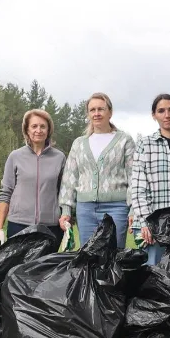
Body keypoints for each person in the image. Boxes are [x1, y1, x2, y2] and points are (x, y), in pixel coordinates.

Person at [58, 92, 136, 248]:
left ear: (110, 112)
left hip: (117, 208)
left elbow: (133, 176)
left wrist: (133, 209)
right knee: (87, 257)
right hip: (85, 209)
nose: (97, 113)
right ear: (88, 114)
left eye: (101, 109)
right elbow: (70, 178)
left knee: (113, 256)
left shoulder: (124, 140)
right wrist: (66, 210)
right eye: (92, 110)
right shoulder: (79, 143)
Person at [130, 93, 170, 265]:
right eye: (161, 111)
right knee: (152, 277)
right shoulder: (146, 144)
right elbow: (137, 188)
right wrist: (146, 223)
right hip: (152, 224)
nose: (167, 115)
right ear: (154, 115)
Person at [0, 109, 66, 247]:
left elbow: (64, 193)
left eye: (43, 126)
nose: (38, 130)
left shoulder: (59, 157)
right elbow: (5, 192)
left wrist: (66, 221)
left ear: (48, 130)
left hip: (50, 227)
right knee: (18, 268)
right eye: (34, 126)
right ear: (26, 130)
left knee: (46, 269)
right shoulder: (15, 156)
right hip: (19, 226)